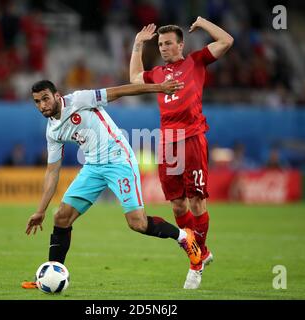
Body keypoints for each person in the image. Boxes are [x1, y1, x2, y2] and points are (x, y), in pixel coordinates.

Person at [21, 79, 202, 289]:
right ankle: (50, 275)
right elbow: (52, 171)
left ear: (56, 95)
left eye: (45, 98)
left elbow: (121, 91)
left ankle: (184, 237)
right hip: (93, 167)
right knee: (61, 217)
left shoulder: (80, 99)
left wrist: (159, 88)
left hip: (119, 160)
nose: (42, 105)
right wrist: (40, 210)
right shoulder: (52, 131)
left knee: (137, 223)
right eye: (37, 101)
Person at [129, 17, 233, 289]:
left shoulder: (196, 62)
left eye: (168, 43)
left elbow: (226, 41)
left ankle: (195, 264)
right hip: (168, 141)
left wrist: (204, 23)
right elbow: (134, 79)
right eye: (160, 44)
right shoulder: (159, 74)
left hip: (193, 138)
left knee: (197, 202)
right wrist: (138, 45)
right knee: (177, 204)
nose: (163, 48)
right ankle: (202, 251)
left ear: (180, 44)